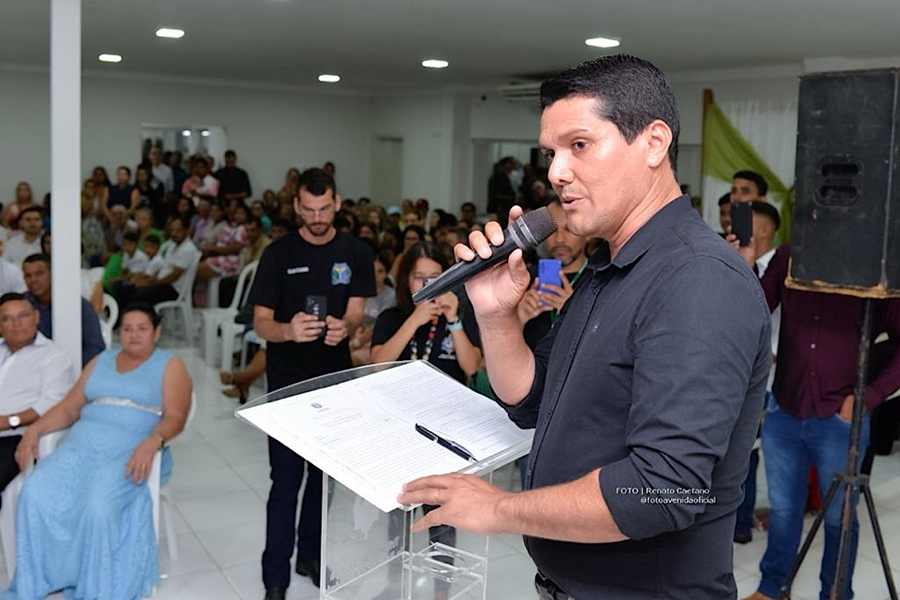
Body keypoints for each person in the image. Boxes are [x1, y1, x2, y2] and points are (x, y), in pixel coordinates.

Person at [397, 55, 772, 600]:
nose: (555, 172)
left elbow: (661, 491)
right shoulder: (608, 268)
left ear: (653, 142)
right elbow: (531, 399)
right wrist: (496, 315)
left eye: (579, 145)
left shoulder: (698, 280)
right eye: (551, 153)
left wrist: (498, 507)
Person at [730, 244, 900, 600]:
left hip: (840, 420)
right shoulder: (790, 255)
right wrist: (744, 269)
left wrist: (869, 395)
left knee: (839, 518)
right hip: (785, 410)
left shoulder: (874, 264)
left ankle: (835, 594)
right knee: (785, 513)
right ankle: (773, 587)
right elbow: (752, 311)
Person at [5, 303, 192, 600]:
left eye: (142, 328)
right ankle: (49, 575)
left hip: (133, 451)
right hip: (82, 447)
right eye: (127, 329)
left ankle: (97, 581)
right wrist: (34, 430)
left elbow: (176, 417)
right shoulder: (102, 360)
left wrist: (153, 441)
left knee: (98, 506)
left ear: (157, 332)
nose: (133, 335)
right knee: (35, 493)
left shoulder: (171, 366)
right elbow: (69, 407)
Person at [247, 167, 374, 600]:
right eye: (308, 210)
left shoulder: (355, 251)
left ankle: (310, 557)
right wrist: (288, 330)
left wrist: (347, 327)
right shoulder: (278, 254)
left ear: (337, 203)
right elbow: (261, 322)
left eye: (324, 209)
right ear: (296, 206)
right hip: (285, 385)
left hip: (334, 382)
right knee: (285, 482)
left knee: (323, 481)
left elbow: (357, 311)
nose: (317, 217)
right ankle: (275, 578)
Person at [734, 200, 782, 546]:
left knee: (756, 453)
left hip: (775, 379)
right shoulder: (737, 264)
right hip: (740, 376)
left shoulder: (785, 267)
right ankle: (738, 522)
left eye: (746, 221)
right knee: (739, 452)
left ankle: (746, 521)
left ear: (763, 230)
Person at [0, 293, 74, 510]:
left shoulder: (53, 356)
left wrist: (9, 421)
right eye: (7, 319)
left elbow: (52, 403)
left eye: (23, 316)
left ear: (36, 317)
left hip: (15, 437)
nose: (16, 324)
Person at [23, 254, 105, 367]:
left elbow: (95, 346)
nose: (33, 280)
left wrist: (74, 371)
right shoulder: (21, 304)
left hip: (73, 370)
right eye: (28, 276)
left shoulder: (77, 305)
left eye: (39, 274)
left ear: (52, 274)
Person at [117, 216, 200, 307]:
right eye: (172, 230)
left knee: (137, 296)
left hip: (172, 289)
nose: (173, 233)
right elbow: (163, 267)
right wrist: (150, 279)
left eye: (178, 231)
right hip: (161, 282)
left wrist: (152, 283)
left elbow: (174, 276)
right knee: (124, 289)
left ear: (186, 231)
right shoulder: (173, 245)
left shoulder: (188, 249)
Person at [350, 253, 395, 365]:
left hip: (376, 342)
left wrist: (356, 343)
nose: (375, 275)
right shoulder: (360, 291)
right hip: (355, 337)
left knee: (351, 359)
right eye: (372, 271)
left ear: (386, 273)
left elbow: (377, 327)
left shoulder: (391, 296)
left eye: (380, 271)